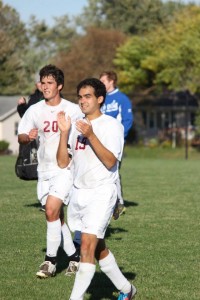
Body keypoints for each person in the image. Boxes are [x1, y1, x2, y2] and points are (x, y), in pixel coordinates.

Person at [56, 78, 137, 300]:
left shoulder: (111, 125)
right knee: (98, 246)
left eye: (88, 96)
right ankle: (127, 290)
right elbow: (63, 163)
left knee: (86, 247)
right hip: (78, 194)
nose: (82, 101)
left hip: (101, 193)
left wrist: (91, 135)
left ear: (100, 99)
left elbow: (112, 162)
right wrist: (64, 134)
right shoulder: (74, 125)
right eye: (80, 97)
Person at [18, 64, 82, 278]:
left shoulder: (72, 109)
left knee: (51, 211)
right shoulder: (34, 110)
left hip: (64, 169)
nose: (45, 87)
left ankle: (50, 261)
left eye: (50, 83)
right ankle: (74, 258)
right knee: (56, 217)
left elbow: (85, 134)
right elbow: (21, 135)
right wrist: (28, 137)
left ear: (60, 86)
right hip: (43, 170)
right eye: (43, 83)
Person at [99, 71, 134, 218]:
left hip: (115, 142)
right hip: (99, 141)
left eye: (103, 81)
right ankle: (105, 201)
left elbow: (127, 120)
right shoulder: (100, 98)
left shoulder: (122, 99)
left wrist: (119, 138)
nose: (101, 84)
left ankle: (118, 203)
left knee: (113, 170)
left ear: (111, 81)